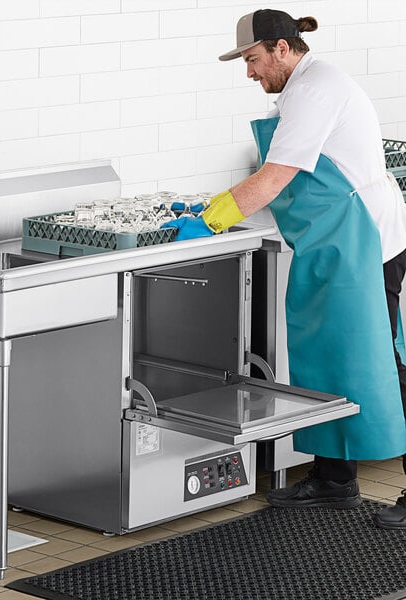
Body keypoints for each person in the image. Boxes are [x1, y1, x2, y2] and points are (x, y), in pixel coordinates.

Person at [163, 8, 406, 528]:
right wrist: (208, 210)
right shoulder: (301, 89)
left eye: (252, 60)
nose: (250, 73)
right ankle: (334, 480)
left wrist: (212, 219)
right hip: (332, 243)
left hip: (363, 242)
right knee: (329, 358)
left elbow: (275, 177)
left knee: (384, 363)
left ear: (280, 48)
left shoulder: (315, 90)